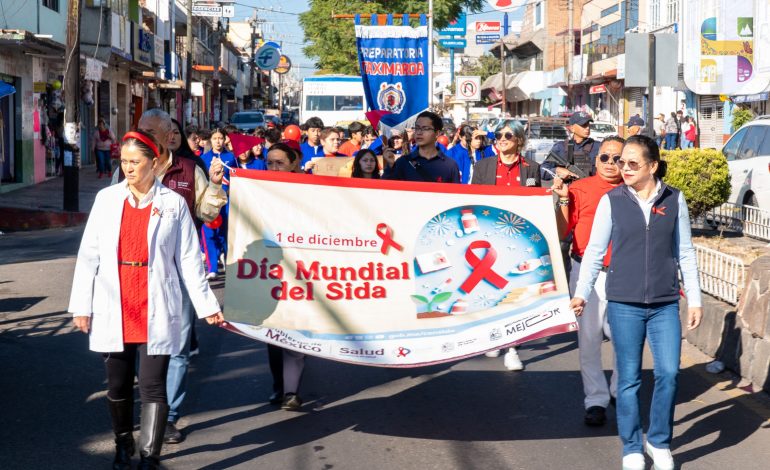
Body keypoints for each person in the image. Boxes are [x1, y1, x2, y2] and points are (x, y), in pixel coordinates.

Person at [69, 130, 225, 470]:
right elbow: (89, 255)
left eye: (135, 162)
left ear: (154, 163)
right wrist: (81, 306)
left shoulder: (172, 203)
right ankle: (123, 445)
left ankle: (149, 457)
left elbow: (188, 259)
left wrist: (208, 306)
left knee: (153, 386)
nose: (128, 168)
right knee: (118, 385)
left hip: (155, 301)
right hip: (116, 300)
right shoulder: (107, 200)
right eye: (124, 161)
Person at [571, 135, 702, 470]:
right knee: (628, 379)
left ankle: (659, 442)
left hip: (664, 303)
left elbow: (685, 252)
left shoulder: (674, 199)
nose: (622, 168)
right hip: (624, 302)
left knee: (669, 373)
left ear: (652, 166)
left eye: (631, 163)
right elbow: (595, 252)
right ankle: (631, 446)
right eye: (618, 162)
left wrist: (696, 299)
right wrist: (582, 293)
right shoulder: (611, 200)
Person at [114, 109, 227, 446]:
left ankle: (170, 415)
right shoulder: (128, 166)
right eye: (141, 128)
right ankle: (148, 403)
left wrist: (217, 185)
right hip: (134, 270)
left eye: (154, 130)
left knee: (177, 347)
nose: (145, 134)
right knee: (136, 343)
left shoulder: (189, 170)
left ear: (169, 135)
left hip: (179, 270)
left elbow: (206, 212)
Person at [552, 136, 625, 427]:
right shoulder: (579, 189)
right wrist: (562, 198)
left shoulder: (634, 190)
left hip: (624, 273)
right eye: (605, 157)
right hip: (586, 273)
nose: (610, 163)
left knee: (624, 337)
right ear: (596, 161)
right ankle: (595, 399)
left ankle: (621, 389)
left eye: (617, 158)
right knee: (589, 338)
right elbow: (562, 229)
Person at [265, 143, 307, 410]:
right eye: (270, 163)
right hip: (270, 271)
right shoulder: (259, 189)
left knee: (297, 331)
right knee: (273, 336)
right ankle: (279, 385)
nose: (274, 167)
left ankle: (291, 392)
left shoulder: (310, 190)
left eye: (280, 162)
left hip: (303, 271)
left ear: (294, 164)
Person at [382, 111, 460, 183]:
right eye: (417, 128)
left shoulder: (450, 166)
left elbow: (456, 195)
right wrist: (390, 165)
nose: (419, 132)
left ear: (437, 133)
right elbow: (386, 190)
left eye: (425, 128)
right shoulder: (403, 162)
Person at [199, 128, 234, 281]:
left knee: (227, 232)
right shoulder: (204, 158)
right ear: (210, 140)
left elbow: (237, 177)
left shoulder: (231, 157)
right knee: (210, 233)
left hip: (228, 200)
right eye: (215, 138)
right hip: (211, 200)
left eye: (221, 138)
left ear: (225, 139)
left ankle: (228, 262)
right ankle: (213, 267)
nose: (218, 141)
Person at [543, 112, 599, 180]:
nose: (587, 128)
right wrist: (556, 171)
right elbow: (543, 170)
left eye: (588, 124)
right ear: (572, 128)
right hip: (567, 189)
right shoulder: (561, 147)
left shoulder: (598, 147)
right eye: (583, 125)